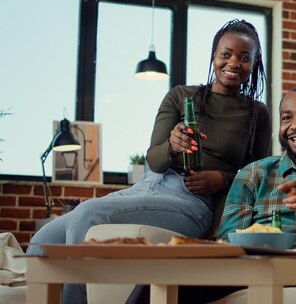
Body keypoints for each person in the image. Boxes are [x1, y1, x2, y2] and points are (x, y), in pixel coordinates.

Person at [26, 19, 272, 304]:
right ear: (213, 57)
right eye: (225, 54)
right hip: (148, 187)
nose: (233, 63)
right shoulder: (181, 96)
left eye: (244, 57)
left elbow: (259, 177)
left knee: (87, 214)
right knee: (43, 239)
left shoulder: (257, 113)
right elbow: (155, 161)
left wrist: (223, 179)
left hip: (192, 201)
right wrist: (172, 145)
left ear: (254, 64)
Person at [127, 86, 296, 304]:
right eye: (286, 118)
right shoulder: (253, 173)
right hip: (254, 264)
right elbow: (228, 241)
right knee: (166, 271)